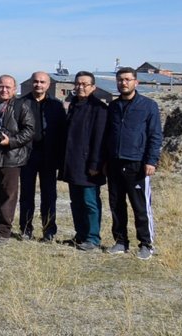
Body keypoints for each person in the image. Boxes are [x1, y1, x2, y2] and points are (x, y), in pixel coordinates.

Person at [104, 67, 163, 259]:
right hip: (114, 163)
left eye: (128, 80)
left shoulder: (148, 105)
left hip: (136, 164)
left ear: (136, 82)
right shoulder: (112, 107)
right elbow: (107, 135)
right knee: (116, 204)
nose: (124, 83)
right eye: (120, 80)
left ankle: (146, 244)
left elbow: (155, 135)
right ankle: (121, 241)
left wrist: (151, 161)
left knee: (140, 206)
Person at [0, 75, 36, 246]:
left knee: (7, 195)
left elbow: (29, 130)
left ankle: (3, 232)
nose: (4, 90)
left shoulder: (21, 106)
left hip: (10, 158)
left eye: (8, 87)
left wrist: (10, 142)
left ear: (14, 89)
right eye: (1, 86)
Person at [19, 71, 68, 242]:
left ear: (48, 85)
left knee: (49, 195)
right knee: (26, 194)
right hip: (27, 156)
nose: (38, 84)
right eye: (35, 81)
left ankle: (49, 231)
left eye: (42, 82)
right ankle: (25, 228)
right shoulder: (21, 103)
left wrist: (61, 159)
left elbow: (63, 133)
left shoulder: (56, 105)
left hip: (49, 156)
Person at [63, 71, 107, 251]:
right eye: (78, 84)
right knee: (76, 201)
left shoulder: (99, 109)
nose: (80, 87)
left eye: (85, 84)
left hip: (90, 165)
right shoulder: (73, 105)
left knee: (90, 202)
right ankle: (80, 234)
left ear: (93, 87)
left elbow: (99, 139)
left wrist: (96, 164)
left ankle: (93, 238)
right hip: (73, 163)